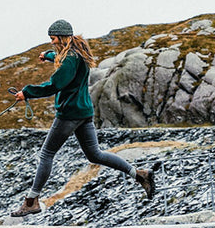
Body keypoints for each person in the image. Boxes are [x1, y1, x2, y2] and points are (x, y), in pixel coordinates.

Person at [8, 20, 154, 216]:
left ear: (62, 37)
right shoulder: (78, 51)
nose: (51, 43)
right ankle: (140, 175)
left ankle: (32, 200)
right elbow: (62, 59)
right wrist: (48, 56)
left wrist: (27, 93)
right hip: (84, 112)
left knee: (47, 154)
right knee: (95, 154)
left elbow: (56, 84)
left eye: (53, 39)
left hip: (70, 114)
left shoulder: (70, 58)